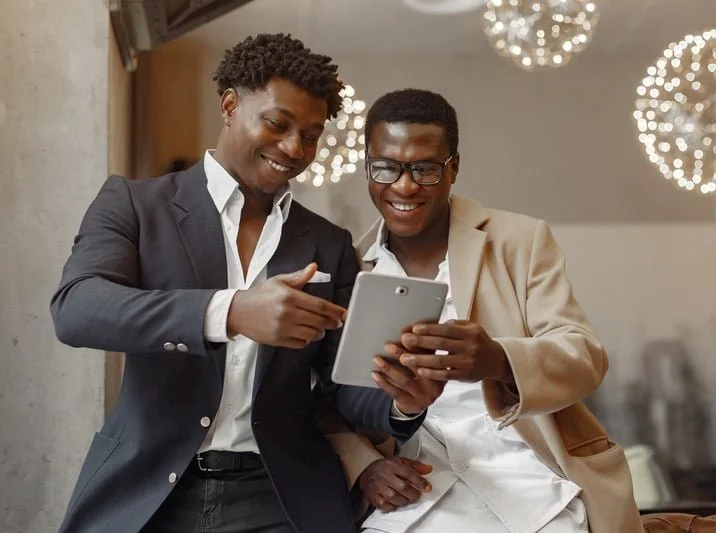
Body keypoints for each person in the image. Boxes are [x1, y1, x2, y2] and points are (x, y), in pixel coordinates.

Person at [50, 36, 442, 533]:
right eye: (277, 124)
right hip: (146, 490)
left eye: (310, 135)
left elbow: (343, 385)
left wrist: (404, 402)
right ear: (230, 105)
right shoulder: (135, 205)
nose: (294, 149)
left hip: (279, 495)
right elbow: (77, 308)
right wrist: (230, 312)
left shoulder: (329, 243)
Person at [324, 89, 643, 533]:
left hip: (534, 490)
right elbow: (328, 400)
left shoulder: (519, 240)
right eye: (386, 167)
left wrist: (499, 360)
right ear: (367, 167)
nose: (404, 185)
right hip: (417, 498)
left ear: (453, 167)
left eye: (425, 169)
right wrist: (364, 466)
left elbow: (584, 357)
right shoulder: (353, 267)